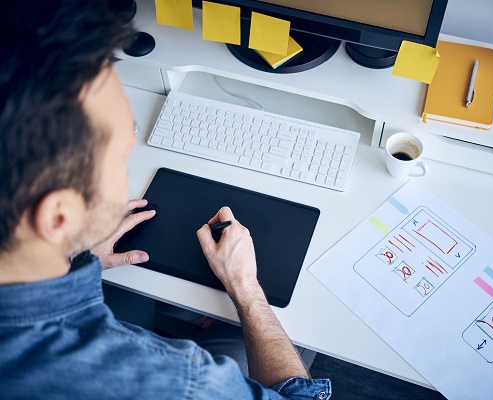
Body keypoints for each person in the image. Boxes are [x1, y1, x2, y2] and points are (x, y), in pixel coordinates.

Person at [0, 1, 331, 399]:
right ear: (57, 216)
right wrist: (246, 288)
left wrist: (67, 254)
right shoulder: (184, 382)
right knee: (298, 338)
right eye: (123, 153)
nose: (134, 146)